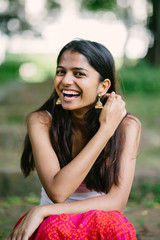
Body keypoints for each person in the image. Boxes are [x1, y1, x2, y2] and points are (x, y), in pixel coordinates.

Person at [8, 39, 141, 240]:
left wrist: (41, 211)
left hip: (99, 219)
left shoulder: (127, 126)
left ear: (103, 86)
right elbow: (58, 193)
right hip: (53, 225)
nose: (66, 81)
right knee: (54, 227)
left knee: (116, 226)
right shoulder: (41, 121)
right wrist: (104, 132)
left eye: (79, 74)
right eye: (61, 71)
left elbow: (117, 200)